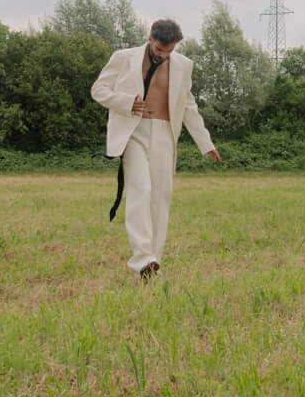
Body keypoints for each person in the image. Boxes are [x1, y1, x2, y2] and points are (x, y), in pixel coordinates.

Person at [89, 18, 219, 281]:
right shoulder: (124, 57)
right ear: (150, 38)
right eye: (160, 50)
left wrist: (205, 142)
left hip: (164, 133)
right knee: (141, 190)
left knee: (160, 198)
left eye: (169, 51)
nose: (164, 55)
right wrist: (126, 102)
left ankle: (151, 266)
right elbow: (98, 90)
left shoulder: (183, 66)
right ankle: (141, 258)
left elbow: (188, 106)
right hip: (134, 131)